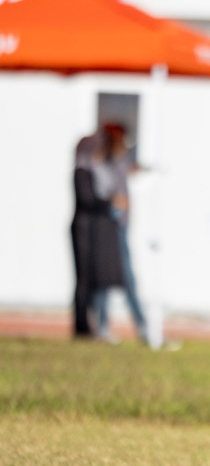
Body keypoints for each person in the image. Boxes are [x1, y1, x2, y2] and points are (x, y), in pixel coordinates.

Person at [92, 123, 150, 345]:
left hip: (122, 228)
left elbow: (133, 168)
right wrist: (112, 201)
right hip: (109, 228)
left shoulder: (122, 163)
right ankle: (103, 325)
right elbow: (101, 191)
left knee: (128, 278)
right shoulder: (102, 163)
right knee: (109, 277)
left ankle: (141, 325)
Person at [69, 129, 122, 339]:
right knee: (83, 279)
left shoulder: (98, 170)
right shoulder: (81, 171)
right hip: (83, 229)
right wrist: (110, 202)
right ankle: (81, 327)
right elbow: (87, 200)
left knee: (93, 279)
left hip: (94, 230)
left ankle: (91, 325)